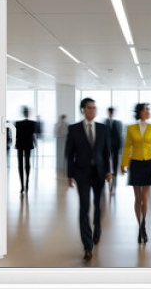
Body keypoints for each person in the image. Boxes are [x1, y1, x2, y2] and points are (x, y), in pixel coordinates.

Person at [65, 98, 112, 262]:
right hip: (82, 173)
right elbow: (69, 154)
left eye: (94, 108)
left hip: (99, 173)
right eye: (89, 108)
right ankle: (87, 246)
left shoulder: (103, 128)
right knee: (84, 206)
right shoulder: (74, 129)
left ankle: (97, 228)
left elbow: (107, 152)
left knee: (97, 205)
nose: (93, 110)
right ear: (83, 110)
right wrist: (69, 175)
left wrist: (109, 171)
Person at [120, 103, 151, 244]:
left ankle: (144, 226)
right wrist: (123, 163)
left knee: (145, 197)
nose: (148, 111)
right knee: (137, 198)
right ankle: (140, 228)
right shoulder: (131, 128)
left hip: (148, 164)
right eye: (146, 109)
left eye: (149, 109)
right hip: (135, 164)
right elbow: (127, 147)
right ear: (140, 112)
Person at [15, 106, 40, 194]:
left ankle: (23, 185)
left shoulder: (18, 123)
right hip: (27, 144)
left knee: (22, 164)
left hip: (21, 144)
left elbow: (16, 135)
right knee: (26, 164)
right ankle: (25, 184)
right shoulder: (32, 123)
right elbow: (34, 133)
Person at [105, 107, 122, 193]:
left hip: (115, 145)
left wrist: (120, 145)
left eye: (112, 112)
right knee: (107, 159)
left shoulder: (117, 123)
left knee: (115, 160)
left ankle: (114, 173)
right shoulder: (105, 122)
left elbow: (119, 135)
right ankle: (108, 172)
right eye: (110, 112)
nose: (111, 113)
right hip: (107, 145)